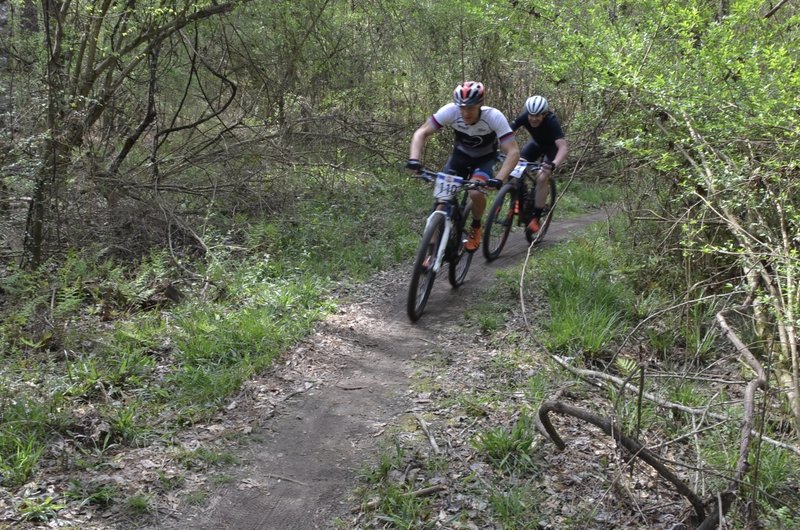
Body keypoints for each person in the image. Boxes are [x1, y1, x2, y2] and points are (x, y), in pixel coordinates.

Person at [406, 81, 520, 251]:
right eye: (462, 108)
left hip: (484, 161)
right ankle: (430, 251)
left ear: (480, 105)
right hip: (459, 159)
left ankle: (475, 226)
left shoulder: (494, 117)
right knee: (441, 202)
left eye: (471, 108)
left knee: (475, 192)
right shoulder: (450, 111)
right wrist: (414, 160)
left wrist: (499, 178)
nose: (466, 113)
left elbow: (513, 152)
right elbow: (421, 132)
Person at [509, 95, 568, 232]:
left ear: (545, 113)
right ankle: (519, 199)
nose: (533, 118)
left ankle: (535, 217)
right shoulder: (525, 117)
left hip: (551, 148)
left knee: (542, 177)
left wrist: (554, 164)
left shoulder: (552, 121)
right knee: (514, 169)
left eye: (537, 116)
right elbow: (506, 132)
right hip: (535, 144)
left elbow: (563, 148)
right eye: (531, 115)